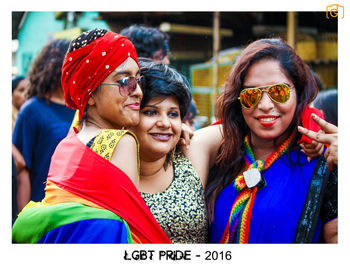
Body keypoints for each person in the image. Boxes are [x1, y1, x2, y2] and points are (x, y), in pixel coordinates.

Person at [12, 29, 170, 244]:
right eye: (124, 82)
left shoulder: (67, 143)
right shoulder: (121, 142)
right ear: (91, 93)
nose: (139, 91)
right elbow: (132, 231)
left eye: (137, 80)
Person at [206, 38, 338, 244]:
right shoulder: (220, 155)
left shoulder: (324, 163)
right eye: (252, 94)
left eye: (279, 92)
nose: (265, 105)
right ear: (238, 99)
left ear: (299, 93)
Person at [12, 39, 76, 204]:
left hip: (75, 209)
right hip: (42, 208)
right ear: (54, 66)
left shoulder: (83, 108)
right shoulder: (32, 110)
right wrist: (23, 220)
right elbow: (21, 170)